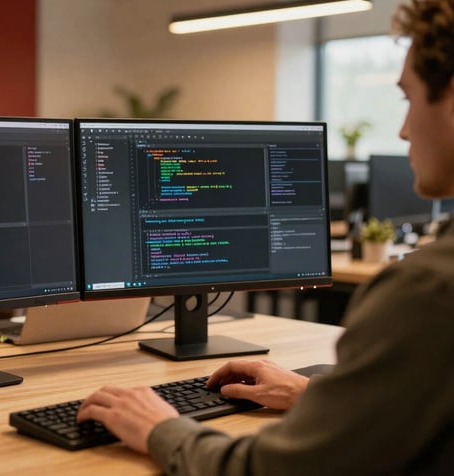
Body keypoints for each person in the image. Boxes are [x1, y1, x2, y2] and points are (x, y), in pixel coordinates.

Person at [77, 1, 454, 474]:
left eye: (409, 97)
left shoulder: (429, 291)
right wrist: (319, 396)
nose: (402, 128)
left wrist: (159, 428)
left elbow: (268, 468)